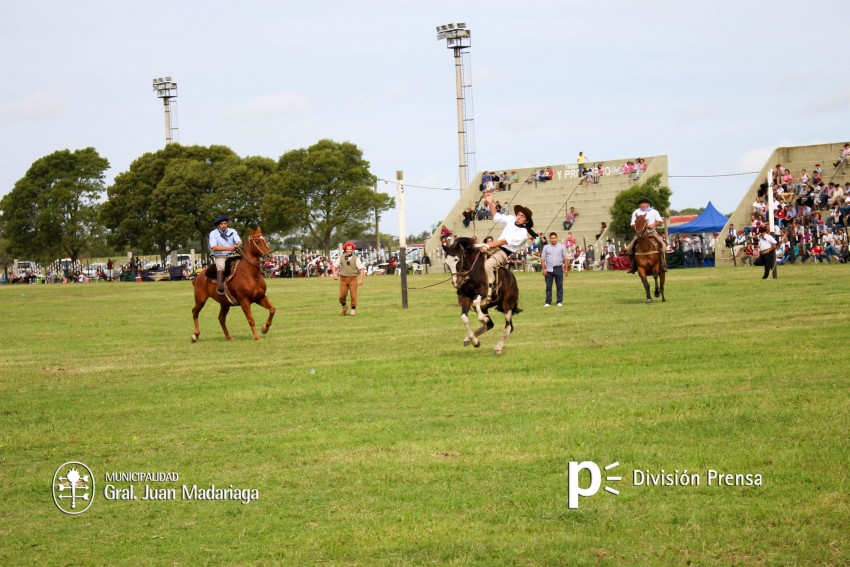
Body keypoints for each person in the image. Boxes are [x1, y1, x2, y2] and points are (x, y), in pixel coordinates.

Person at [478, 191, 535, 303]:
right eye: (519, 214)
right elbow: (496, 216)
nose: (519, 216)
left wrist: (489, 245)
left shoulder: (523, 233)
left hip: (503, 253)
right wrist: (490, 202)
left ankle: (490, 290)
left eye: (522, 216)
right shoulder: (511, 219)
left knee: (488, 265)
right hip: (495, 246)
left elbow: (504, 242)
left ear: (526, 221)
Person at [626, 198, 667, 274]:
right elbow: (632, 224)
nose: (643, 205)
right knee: (629, 248)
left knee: (663, 246)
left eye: (645, 203)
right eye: (641, 203)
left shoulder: (654, 212)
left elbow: (660, 221)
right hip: (640, 234)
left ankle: (663, 265)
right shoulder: (636, 212)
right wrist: (638, 228)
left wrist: (653, 225)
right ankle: (632, 266)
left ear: (648, 204)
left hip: (652, 233)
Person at [209, 214, 242, 295]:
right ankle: (220, 286)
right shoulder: (213, 233)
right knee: (221, 266)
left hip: (233, 255)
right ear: (218, 225)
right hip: (220, 256)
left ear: (227, 224)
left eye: (225, 223)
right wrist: (229, 248)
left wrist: (238, 243)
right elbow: (214, 247)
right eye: (221, 224)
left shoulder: (233, 231)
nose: (223, 225)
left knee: (243, 263)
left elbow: (239, 240)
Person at [331, 241, 365, 316]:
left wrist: (361, 279)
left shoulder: (356, 258)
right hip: (343, 279)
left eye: (350, 249)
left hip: (353, 278)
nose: (349, 250)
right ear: (345, 249)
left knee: (353, 295)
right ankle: (344, 307)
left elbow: (361, 269)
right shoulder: (341, 257)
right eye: (347, 249)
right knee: (341, 296)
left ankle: (353, 309)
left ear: (353, 249)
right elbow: (334, 266)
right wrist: (334, 274)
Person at [540, 232, 568, 307]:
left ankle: (559, 301)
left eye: (554, 238)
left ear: (557, 238)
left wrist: (566, 269)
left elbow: (565, 258)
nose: (553, 240)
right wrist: (544, 269)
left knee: (559, 286)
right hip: (549, 270)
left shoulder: (562, 247)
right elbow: (542, 259)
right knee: (548, 286)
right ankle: (548, 302)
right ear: (549, 239)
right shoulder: (546, 247)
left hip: (558, 268)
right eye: (551, 238)